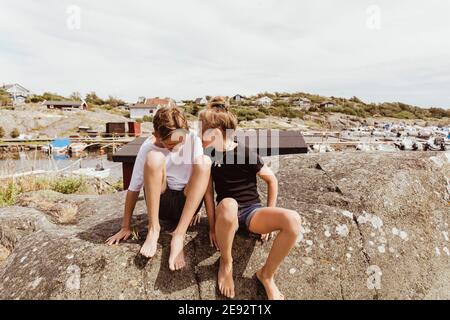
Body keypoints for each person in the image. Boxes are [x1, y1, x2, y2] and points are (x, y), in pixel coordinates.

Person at [199, 97, 302, 300]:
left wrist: (270, 214)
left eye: (202, 129)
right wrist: (212, 226)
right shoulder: (208, 156)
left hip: (251, 213)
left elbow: (271, 180)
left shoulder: (245, 153)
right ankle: (226, 263)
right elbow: (208, 194)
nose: (199, 133)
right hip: (226, 213)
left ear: (217, 131)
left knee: (293, 220)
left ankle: (266, 275)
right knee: (229, 203)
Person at [106, 106, 211, 271]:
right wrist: (125, 226)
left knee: (205, 162)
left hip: (186, 203)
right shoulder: (148, 146)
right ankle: (154, 229)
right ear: (156, 135)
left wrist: (211, 224)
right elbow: (133, 189)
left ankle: (179, 234)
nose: (176, 147)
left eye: (180, 141)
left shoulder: (193, 139)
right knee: (154, 158)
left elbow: (203, 177)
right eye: (170, 145)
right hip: (161, 203)